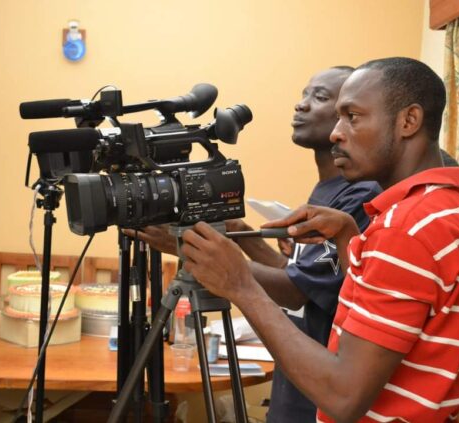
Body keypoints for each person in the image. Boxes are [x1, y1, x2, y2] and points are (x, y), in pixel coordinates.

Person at [178, 57, 459, 422]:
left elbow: (344, 397)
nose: (336, 133)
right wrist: (348, 235)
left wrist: (241, 286)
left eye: (353, 116)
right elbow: (400, 315)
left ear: (408, 121)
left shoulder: (405, 229)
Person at [125, 66, 381, 423]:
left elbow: (295, 292)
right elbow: (301, 276)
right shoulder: (329, 189)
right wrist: (237, 231)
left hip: (318, 394)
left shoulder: (360, 195)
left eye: (320, 97)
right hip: (295, 384)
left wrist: (187, 247)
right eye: (304, 94)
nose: (302, 105)